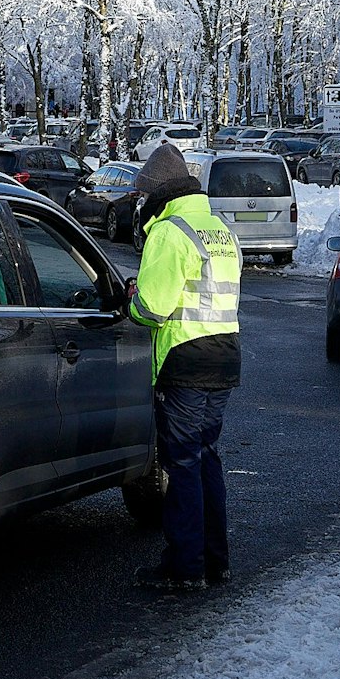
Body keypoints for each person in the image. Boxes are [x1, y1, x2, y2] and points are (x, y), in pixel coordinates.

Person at [126, 144, 242, 591]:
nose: (139, 204)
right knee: (206, 457)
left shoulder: (169, 231)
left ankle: (185, 567)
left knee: (183, 464)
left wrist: (131, 300)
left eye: (142, 195)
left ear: (158, 192)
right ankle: (216, 561)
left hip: (185, 360)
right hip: (225, 355)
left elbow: (153, 307)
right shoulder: (217, 228)